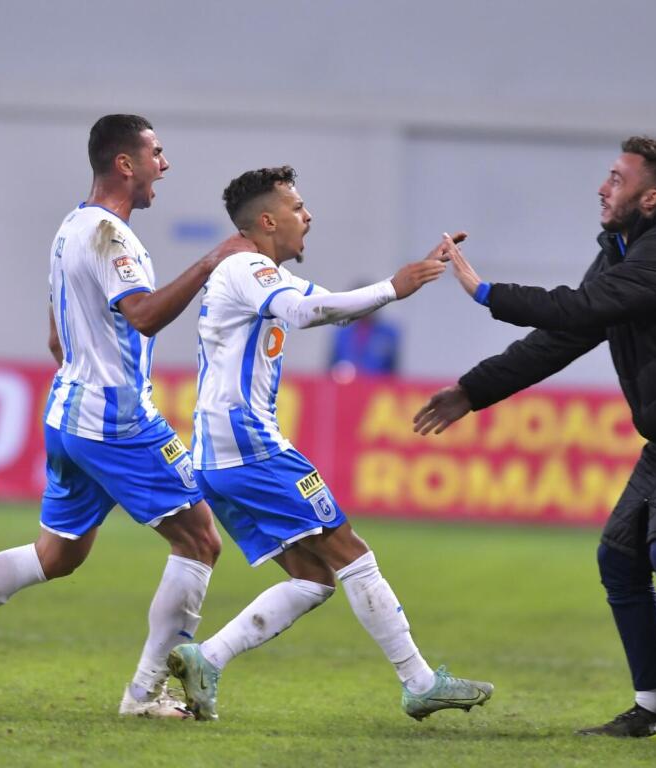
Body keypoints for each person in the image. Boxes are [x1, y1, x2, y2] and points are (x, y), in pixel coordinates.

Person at [0, 114, 253, 719]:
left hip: (69, 412)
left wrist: (87, 371)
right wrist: (212, 262)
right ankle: (144, 695)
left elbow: (56, 335)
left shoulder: (72, 227)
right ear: (125, 163)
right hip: (117, 422)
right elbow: (144, 315)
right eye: (156, 153)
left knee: (58, 554)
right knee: (200, 540)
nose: (164, 165)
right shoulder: (110, 237)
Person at [414, 137, 656, 745]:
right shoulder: (624, 248)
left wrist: (486, 292)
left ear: (651, 197)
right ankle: (652, 708)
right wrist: (473, 390)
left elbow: (579, 307)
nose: (601, 187)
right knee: (620, 557)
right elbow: (566, 336)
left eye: (616, 178)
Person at [166, 165, 493, 722]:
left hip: (219, 455)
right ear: (268, 220)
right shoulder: (246, 266)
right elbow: (307, 312)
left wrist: (411, 277)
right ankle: (419, 682)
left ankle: (207, 659)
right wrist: (395, 286)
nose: (308, 216)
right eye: (297, 207)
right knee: (350, 552)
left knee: (313, 578)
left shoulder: (262, 275)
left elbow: (332, 309)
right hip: (250, 445)